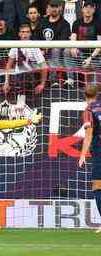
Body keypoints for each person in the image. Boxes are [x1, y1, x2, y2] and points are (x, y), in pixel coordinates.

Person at [79, 85, 101, 233]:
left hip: (99, 149)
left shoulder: (88, 112)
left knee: (98, 186)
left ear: (85, 96)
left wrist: (82, 155)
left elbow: (88, 135)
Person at [3, 23, 48, 95]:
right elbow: (9, 65)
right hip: (17, 78)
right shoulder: (15, 46)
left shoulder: (34, 47)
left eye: (27, 32)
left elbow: (44, 66)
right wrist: (6, 82)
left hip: (31, 78)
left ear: (30, 34)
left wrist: (42, 84)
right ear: (19, 34)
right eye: (23, 32)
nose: (25, 34)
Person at [65, 0, 101, 85]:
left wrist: (90, 58)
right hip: (80, 54)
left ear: (94, 10)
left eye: (91, 8)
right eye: (86, 7)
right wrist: (73, 47)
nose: (88, 9)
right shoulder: (76, 23)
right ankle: (70, 80)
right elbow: (73, 39)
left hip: (95, 56)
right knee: (67, 51)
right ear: (82, 9)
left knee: (93, 86)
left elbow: (100, 45)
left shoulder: (98, 23)